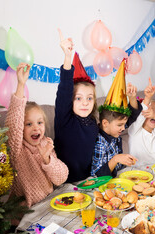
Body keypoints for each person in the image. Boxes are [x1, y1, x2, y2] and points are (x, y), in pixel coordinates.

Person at [6, 63, 69, 207]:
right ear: (21, 129)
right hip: (24, 213)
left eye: (40, 123)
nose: (36, 128)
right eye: (29, 124)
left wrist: (47, 158)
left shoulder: (45, 145)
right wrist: (21, 84)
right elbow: (13, 123)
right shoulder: (17, 149)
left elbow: (61, 178)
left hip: (48, 206)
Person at [54, 29, 99, 183]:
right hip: (64, 183)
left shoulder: (93, 123)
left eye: (89, 98)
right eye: (78, 98)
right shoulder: (64, 120)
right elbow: (65, 91)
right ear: (70, 101)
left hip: (87, 181)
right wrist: (68, 57)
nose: (85, 102)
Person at [91, 59, 142, 177]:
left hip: (120, 175)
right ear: (105, 123)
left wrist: (132, 98)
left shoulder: (114, 128)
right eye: (120, 125)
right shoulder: (100, 142)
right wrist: (116, 159)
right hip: (105, 181)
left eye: (124, 124)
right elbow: (98, 174)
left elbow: (133, 115)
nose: (123, 128)